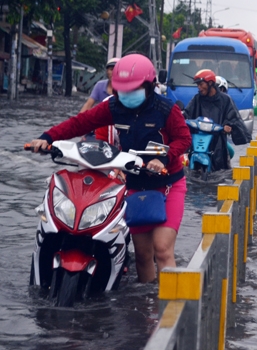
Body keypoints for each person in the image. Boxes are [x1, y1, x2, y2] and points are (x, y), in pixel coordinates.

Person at [30, 54, 191, 283]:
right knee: (143, 256)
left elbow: (184, 139)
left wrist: (164, 158)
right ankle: (146, 311)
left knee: (162, 249)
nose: (126, 95)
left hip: (168, 184)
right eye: (121, 90)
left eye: (132, 89)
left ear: (150, 86)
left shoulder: (166, 109)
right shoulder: (114, 107)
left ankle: (172, 309)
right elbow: (79, 123)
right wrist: (47, 138)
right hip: (134, 185)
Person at [184, 69, 251, 172]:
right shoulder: (197, 99)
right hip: (198, 142)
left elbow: (233, 118)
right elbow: (186, 114)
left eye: (201, 84)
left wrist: (228, 127)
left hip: (218, 145)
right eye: (197, 85)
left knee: (222, 173)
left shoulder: (225, 100)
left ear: (210, 83)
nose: (199, 88)